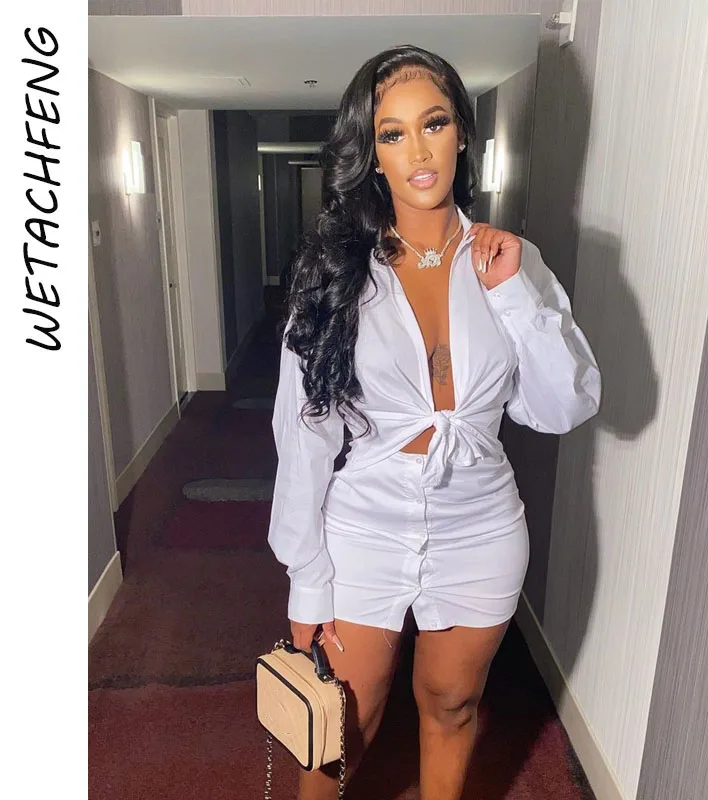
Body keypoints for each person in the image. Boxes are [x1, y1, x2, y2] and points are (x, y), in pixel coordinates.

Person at [268, 44, 601, 800]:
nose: (418, 152)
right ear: (371, 154)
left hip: (480, 524)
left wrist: (513, 294)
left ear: (462, 135)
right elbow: (303, 436)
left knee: (453, 706)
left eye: (434, 123)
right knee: (340, 730)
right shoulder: (336, 274)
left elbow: (563, 406)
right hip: (365, 525)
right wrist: (305, 578)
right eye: (392, 134)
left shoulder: (512, 260)